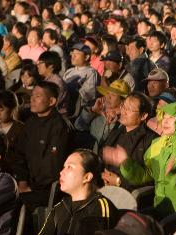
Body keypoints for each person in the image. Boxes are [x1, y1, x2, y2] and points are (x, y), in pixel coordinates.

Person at [103, 101, 176, 219]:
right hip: (160, 207)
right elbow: (145, 177)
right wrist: (125, 163)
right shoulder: (157, 145)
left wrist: (175, 173)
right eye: (164, 116)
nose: (165, 121)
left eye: (172, 117)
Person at [12, 81, 70, 211]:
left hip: (47, 188)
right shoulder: (30, 123)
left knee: (13, 204)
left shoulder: (59, 127)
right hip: (26, 184)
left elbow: (53, 166)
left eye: (38, 96)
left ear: (51, 101)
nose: (32, 99)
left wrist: (31, 188)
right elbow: (19, 154)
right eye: (32, 95)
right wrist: (22, 181)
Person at [38, 149, 119, 235]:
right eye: (64, 167)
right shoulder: (60, 207)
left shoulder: (100, 208)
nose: (61, 172)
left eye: (69, 167)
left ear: (87, 177)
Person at [101, 92, 158, 190]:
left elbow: (149, 178)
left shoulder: (151, 140)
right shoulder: (117, 131)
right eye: (123, 106)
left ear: (143, 116)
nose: (123, 112)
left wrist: (119, 181)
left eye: (130, 109)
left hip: (128, 194)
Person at [37, 51, 69, 115]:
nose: (38, 66)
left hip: (55, 115)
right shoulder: (47, 79)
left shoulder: (56, 83)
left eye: (40, 63)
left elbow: (50, 105)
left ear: (50, 66)